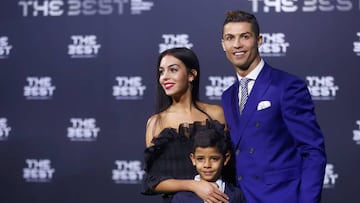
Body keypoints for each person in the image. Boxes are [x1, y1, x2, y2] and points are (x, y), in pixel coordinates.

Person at [220, 10, 327, 203]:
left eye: (245, 36)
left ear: (259, 40)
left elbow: (312, 151)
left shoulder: (287, 86)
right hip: (242, 198)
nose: (237, 44)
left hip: (281, 197)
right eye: (230, 38)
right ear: (223, 44)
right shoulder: (227, 96)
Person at [142, 47, 230, 203]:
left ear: (191, 75)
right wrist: (194, 185)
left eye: (173, 70)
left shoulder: (217, 114)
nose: (164, 77)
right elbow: (153, 181)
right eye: (161, 72)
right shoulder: (156, 122)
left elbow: (231, 166)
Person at [171, 127, 246, 203]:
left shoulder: (236, 195)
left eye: (214, 158)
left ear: (226, 159)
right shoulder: (182, 198)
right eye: (200, 159)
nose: (207, 165)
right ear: (193, 159)